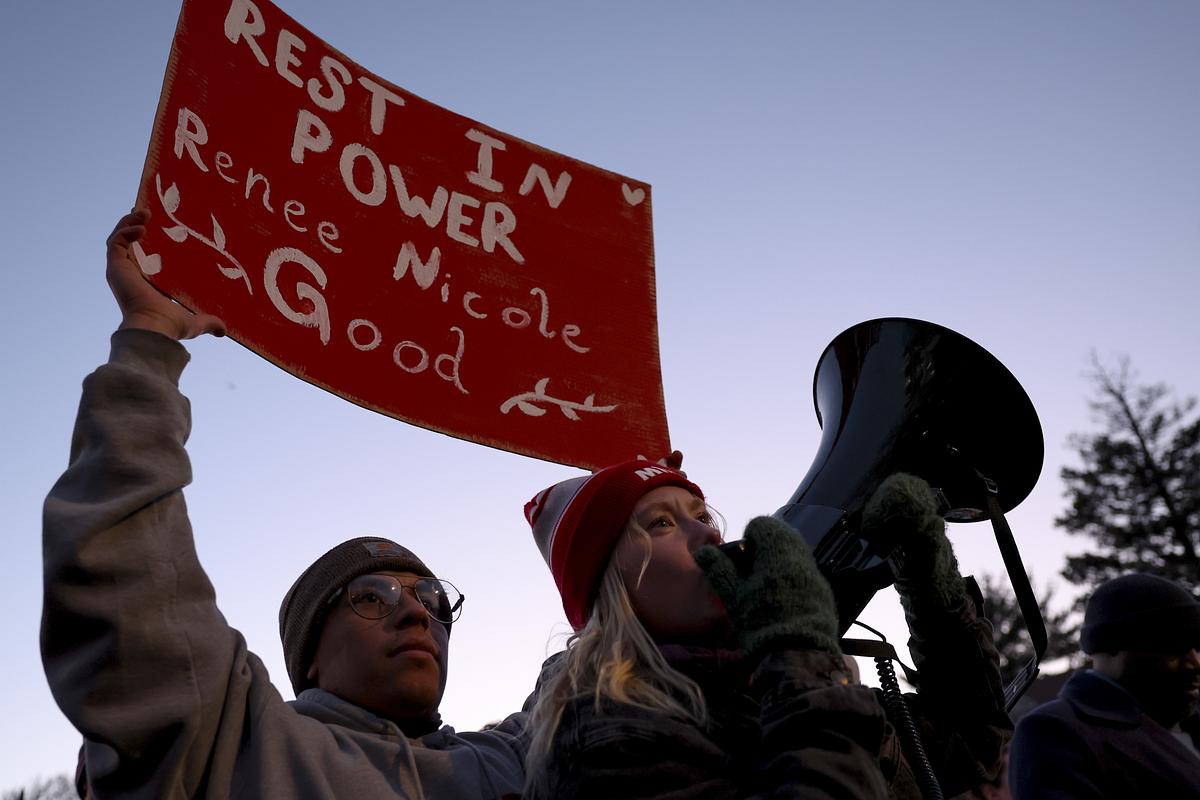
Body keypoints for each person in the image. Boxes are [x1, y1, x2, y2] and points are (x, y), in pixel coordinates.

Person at [41, 209, 528, 799]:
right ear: (310, 657)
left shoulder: (525, 763)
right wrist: (149, 331)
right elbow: (128, 578)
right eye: (372, 598)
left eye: (433, 600)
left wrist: (644, 496)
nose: (417, 614)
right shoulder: (235, 745)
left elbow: (621, 667)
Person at [521, 458, 1010, 799]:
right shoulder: (604, 735)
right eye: (662, 524)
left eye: (701, 515)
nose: (710, 533)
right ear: (613, 590)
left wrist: (929, 583)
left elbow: (973, 746)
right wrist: (802, 655)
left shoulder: (771, 681)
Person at [1008, 572, 1200, 799]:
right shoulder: (1052, 731)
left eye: (1197, 648)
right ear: (1113, 645)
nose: (1194, 664)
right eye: (1173, 647)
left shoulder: (1189, 726)